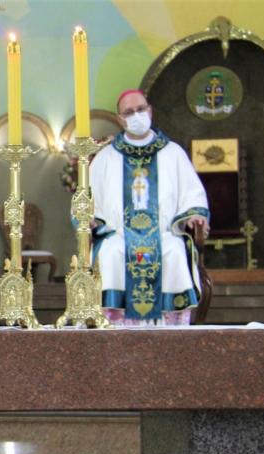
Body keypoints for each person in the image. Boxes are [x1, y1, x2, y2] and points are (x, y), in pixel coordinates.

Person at [90, 89, 210, 326]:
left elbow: (192, 194)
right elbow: (87, 200)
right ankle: (115, 329)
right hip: (119, 237)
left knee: (175, 252)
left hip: (164, 236)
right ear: (120, 119)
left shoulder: (173, 153)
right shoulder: (105, 158)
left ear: (150, 111)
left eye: (140, 109)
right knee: (110, 253)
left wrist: (194, 215)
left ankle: (172, 329)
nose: (136, 115)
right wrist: (89, 218)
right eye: (129, 112)